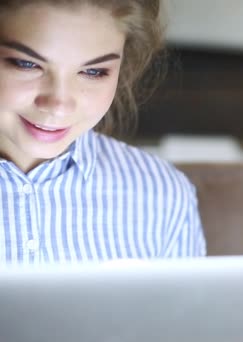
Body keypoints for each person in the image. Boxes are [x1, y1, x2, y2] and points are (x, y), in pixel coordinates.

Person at [0, 0, 206, 265]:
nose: (59, 104)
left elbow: (184, 307)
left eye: (94, 71)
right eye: (26, 64)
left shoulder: (164, 194)